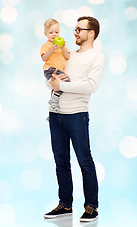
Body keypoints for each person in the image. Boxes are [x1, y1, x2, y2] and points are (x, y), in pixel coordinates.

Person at [44, 16, 105, 222]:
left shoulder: (96, 57)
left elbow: (91, 86)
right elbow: (52, 81)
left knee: (84, 161)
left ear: (91, 33)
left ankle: (91, 207)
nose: (75, 33)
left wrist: (63, 86)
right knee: (61, 162)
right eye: (75, 29)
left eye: (80, 29)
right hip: (56, 115)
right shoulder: (67, 55)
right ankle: (65, 205)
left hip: (77, 115)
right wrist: (54, 82)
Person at [41, 19, 70, 112]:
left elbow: (67, 56)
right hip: (50, 69)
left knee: (56, 87)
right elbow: (44, 58)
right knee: (66, 81)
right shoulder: (46, 45)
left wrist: (62, 48)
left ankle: (53, 109)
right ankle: (53, 101)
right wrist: (52, 49)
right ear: (45, 34)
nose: (54, 34)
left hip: (58, 70)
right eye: (51, 32)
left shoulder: (62, 46)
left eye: (56, 32)